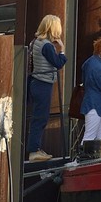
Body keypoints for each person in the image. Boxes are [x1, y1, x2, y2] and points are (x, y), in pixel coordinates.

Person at [26, 14, 67, 161]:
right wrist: (61, 49)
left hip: (36, 82)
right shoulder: (47, 46)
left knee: (39, 117)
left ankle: (36, 148)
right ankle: (33, 151)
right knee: (40, 118)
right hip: (43, 84)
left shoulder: (36, 41)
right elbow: (58, 63)